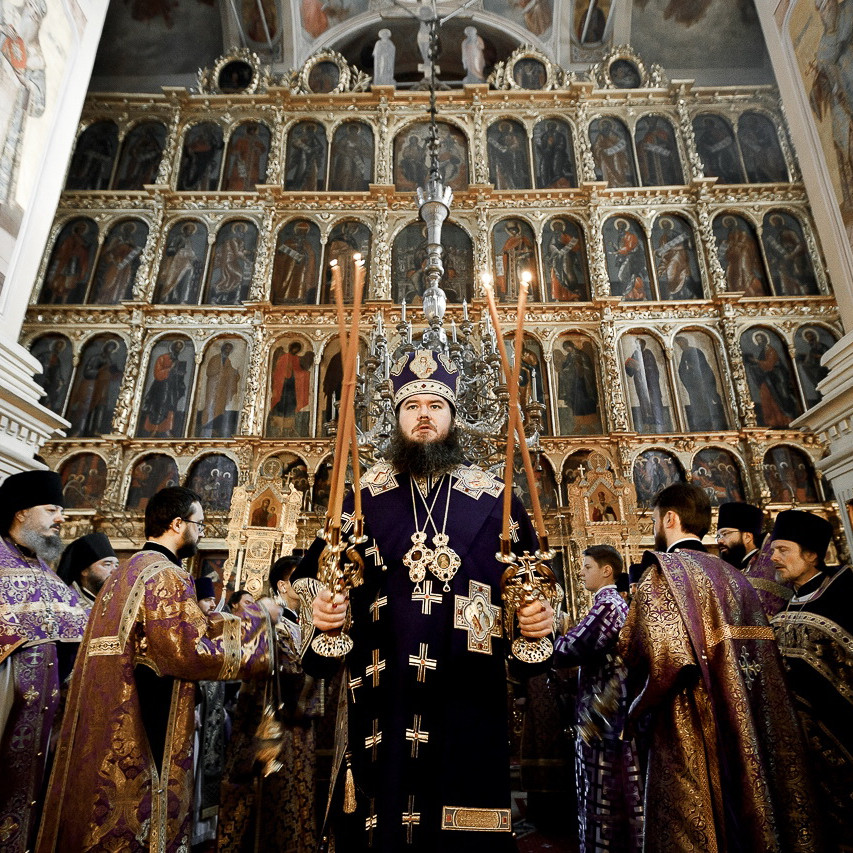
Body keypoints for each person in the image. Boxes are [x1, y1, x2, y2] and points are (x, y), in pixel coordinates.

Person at [296, 350, 554, 852]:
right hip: (385, 693)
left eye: (436, 405)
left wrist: (534, 621)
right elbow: (315, 581)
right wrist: (324, 612)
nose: (423, 414)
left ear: (453, 416)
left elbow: (531, 591)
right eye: (412, 405)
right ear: (396, 417)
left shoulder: (496, 501)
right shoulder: (361, 499)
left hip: (468, 690)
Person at [36, 487, 277, 852]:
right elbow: (187, 651)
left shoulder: (124, 573)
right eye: (199, 524)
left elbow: (177, 631)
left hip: (107, 716)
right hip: (146, 720)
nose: (201, 532)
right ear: (178, 524)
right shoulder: (166, 575)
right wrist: (257, 621)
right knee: (142, 818)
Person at [619, 483, 819, 852]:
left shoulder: (662, 573)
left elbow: (661, 659)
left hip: (688, 721)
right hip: (740, 714)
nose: (654, 527)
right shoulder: (735, 575)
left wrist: (631, 709)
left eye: (655, 519)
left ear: (670, 518)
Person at [0, 470, 88, 853]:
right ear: (21, 511)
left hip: (41, 733)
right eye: (52, 509)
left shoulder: (48, 576)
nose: (61, 518)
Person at [219, 555, 323, 852]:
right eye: (301, 579)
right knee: (276, 803)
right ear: (283, 585)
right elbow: (287, 672)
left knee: (298, 797)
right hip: (275, 728)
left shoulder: (301, 622)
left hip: (299, 727)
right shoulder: (274, 623)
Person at [769, 509, 853, 852]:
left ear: (812, 555)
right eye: (773, 550)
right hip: (799, 749)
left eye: (783, 550)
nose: (773, 558)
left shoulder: (845, 596)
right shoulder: (787, 604)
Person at [552, 545, 644, 852]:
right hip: (604, 711)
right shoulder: (610, 604)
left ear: (607, 571)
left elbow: (572, 648)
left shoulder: (608, 606)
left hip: (604, 716)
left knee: (603, 791)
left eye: (587, 566)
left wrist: (547, 635)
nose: (580, 572)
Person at [716, 501, 791, 617]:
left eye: (725, 534)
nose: (720, 540)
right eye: (718, 536)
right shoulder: (727, 569)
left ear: (747, 537)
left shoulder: (770, 569)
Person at [56, 531, 119, 608]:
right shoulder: (67, 604)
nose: (115, 571)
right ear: (84, 571)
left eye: (116, 566)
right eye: (107, 565)